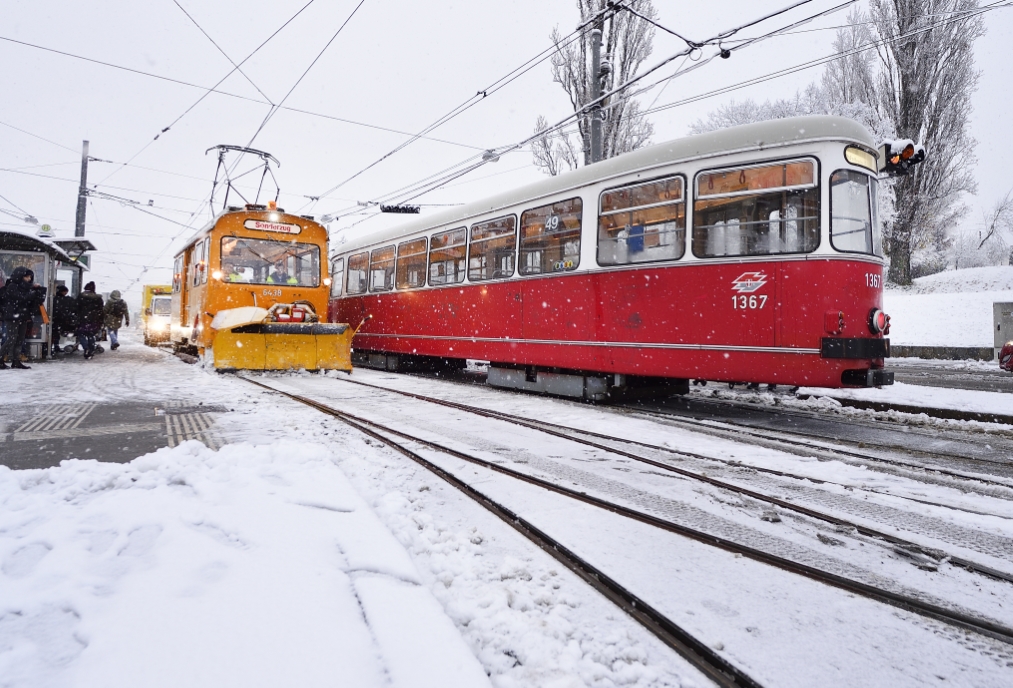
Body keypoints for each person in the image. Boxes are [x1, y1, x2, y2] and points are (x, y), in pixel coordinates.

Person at [0, 266, 46, 370]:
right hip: (12, 316)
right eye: (27, 277)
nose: (29, 279)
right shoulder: (12, 286)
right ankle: (1, 358)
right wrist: (33, 292)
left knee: (20, 339)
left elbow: (36, 300)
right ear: (20, 276)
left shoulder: (28, 288)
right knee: (11, 338)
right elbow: (21, 298)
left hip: (23, 316)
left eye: (30, 277)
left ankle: (16, 360)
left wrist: (39, 290)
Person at [76, 281, 104, 360]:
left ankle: (86, 348)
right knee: (91, 335)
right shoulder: (98, 298)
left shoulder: (81, 296)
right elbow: (101, 310)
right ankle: (91, 350)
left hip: (83, 319)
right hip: (94, 319)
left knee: (81, 334)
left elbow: (76, 307)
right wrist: (101, 320)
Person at [51, 285, 78, 356]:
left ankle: (54, 347)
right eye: (65, 291)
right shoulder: (67, 300)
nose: (66, 293)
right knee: (56, 333)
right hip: (63, 319)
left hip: (56, 319)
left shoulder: (54, 299)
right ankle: (56, 346)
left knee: (54, 333)